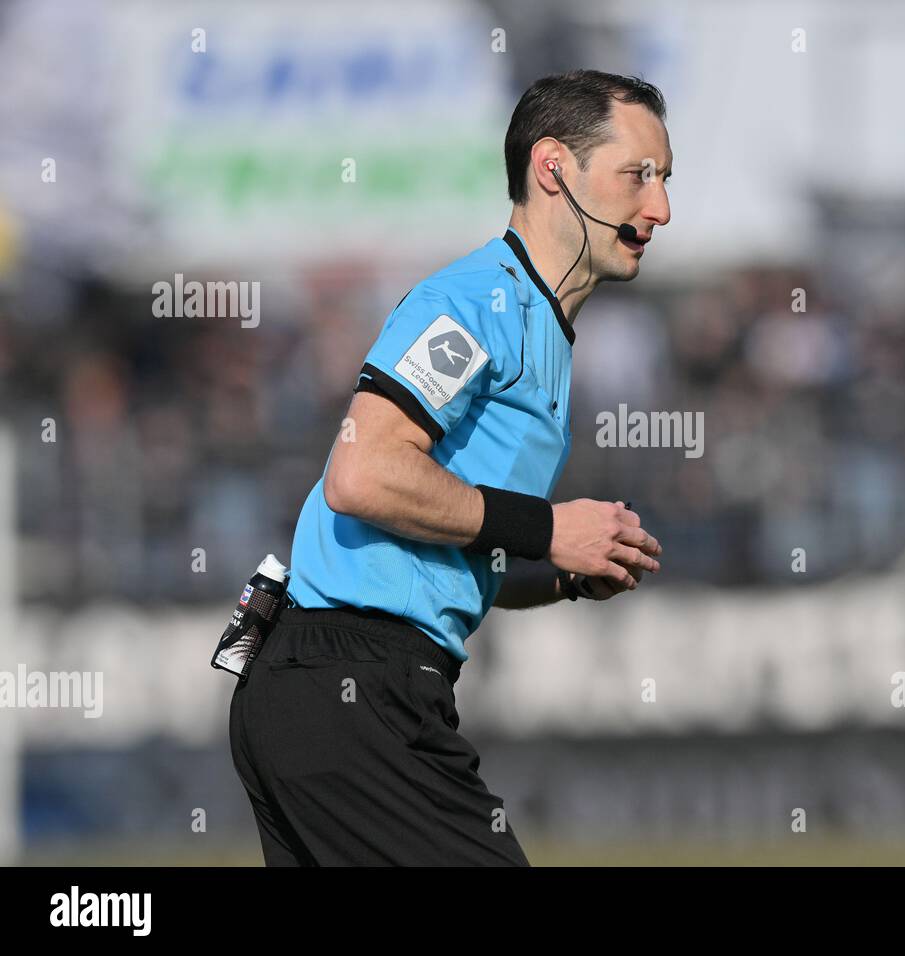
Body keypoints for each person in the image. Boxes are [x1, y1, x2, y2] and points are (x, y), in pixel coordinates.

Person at [228, 69, 672, 866]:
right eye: (637, 175)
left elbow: (460, 541)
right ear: (553, 169)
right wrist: (548, 527)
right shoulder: (475, 303)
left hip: (338, 690)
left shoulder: (542, 332)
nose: (659, 209)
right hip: (351, 689)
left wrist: (567, 567)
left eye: (665, 180)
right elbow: (361, 476)